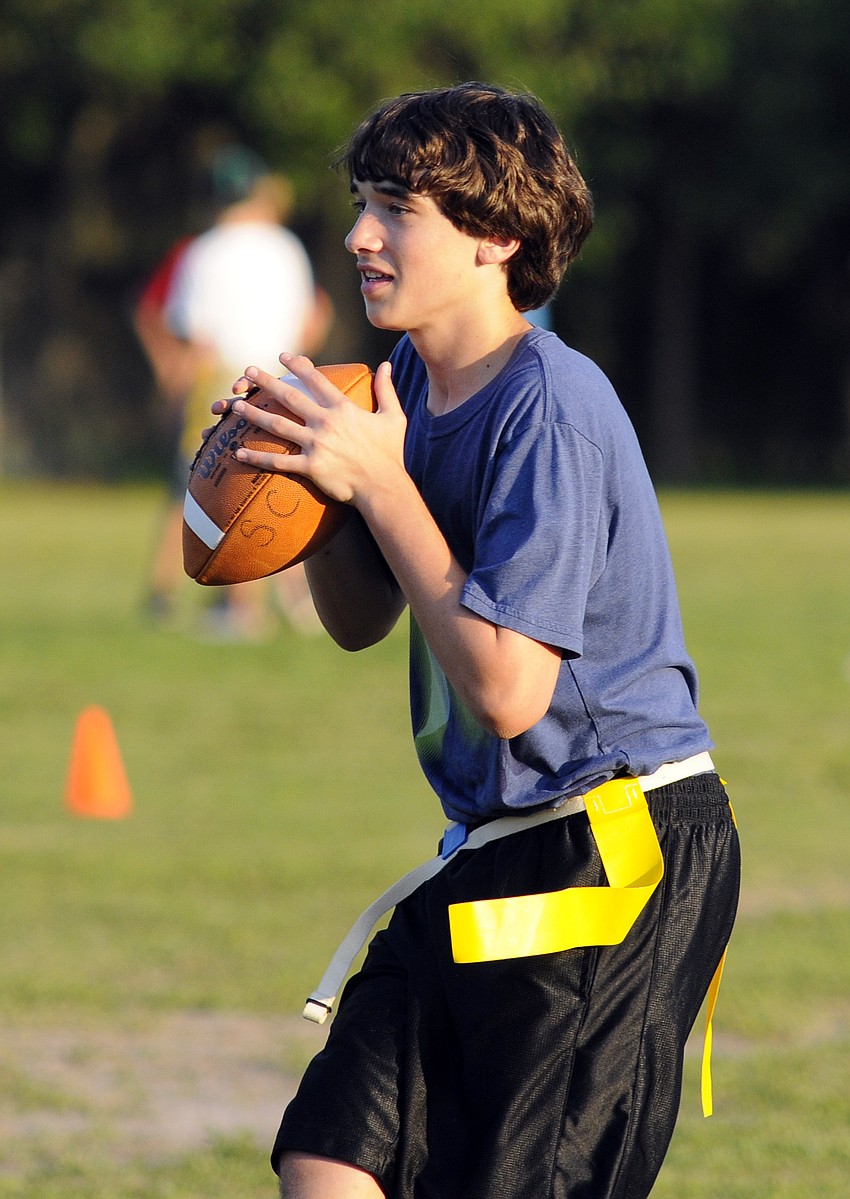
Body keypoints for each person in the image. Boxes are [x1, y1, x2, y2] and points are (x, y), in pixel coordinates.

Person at [217, 83, 741, 1198]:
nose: (359, 234)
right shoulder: (400, 383)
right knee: (330, 1153)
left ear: (497, 237)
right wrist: (304, 488)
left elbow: (507, 688)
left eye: (397, 208)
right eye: (361, 202)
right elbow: (362, 620)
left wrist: (378, 480)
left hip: (615, 848)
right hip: (499, 841)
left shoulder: (549, 408)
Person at [138, 144, 331, 637]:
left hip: (225, 376)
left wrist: (175, 389)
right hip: (283, 376)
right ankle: (285, 602)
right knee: (270, 486)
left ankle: (234, 609)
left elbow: (195, 333)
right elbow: (310, 320)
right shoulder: (287, 246)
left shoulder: (204, 251)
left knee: (212, 488)